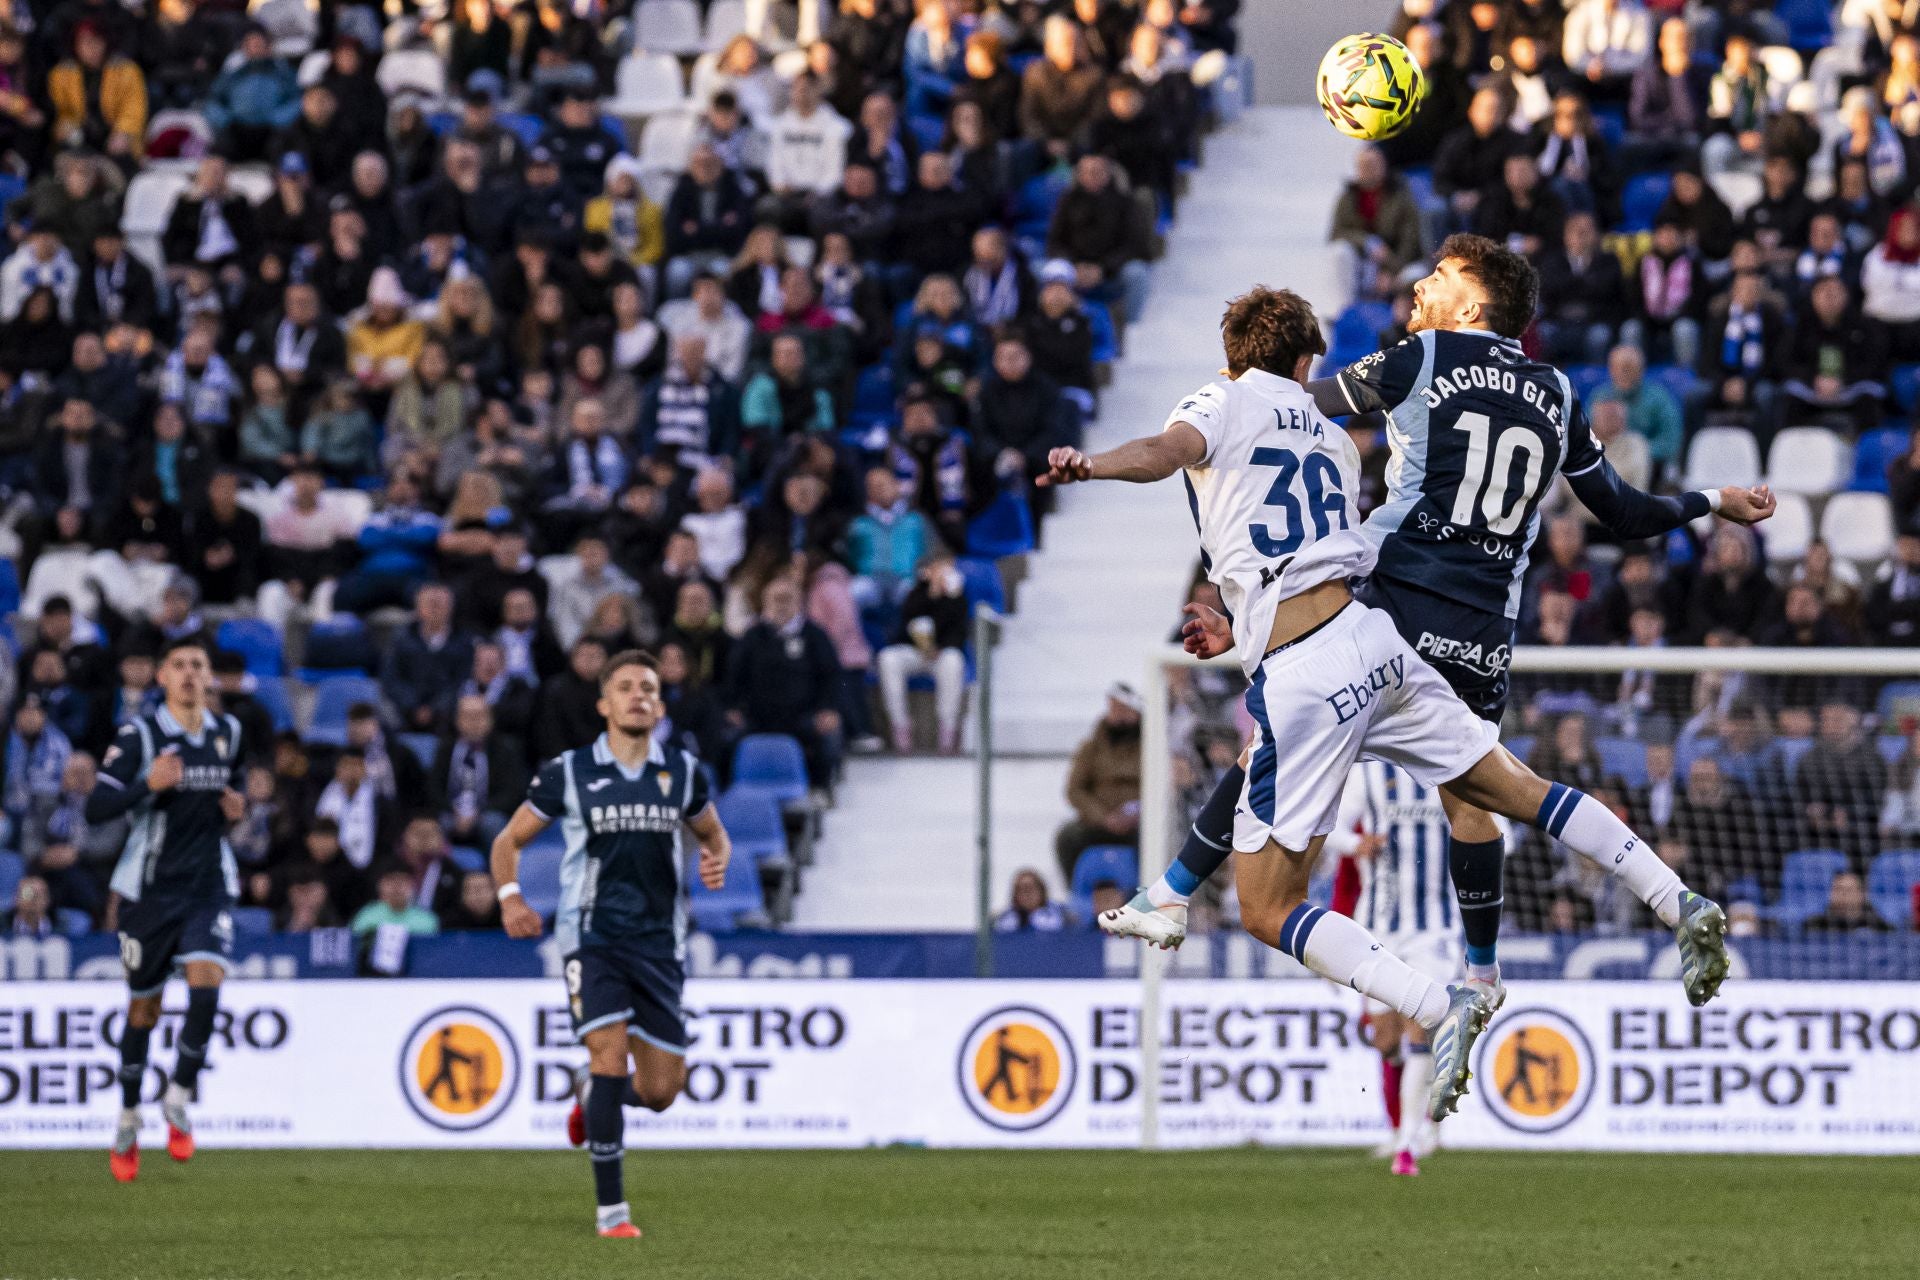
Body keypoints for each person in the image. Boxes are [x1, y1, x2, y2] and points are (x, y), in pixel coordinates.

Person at [1041, 281, 1757, 1120]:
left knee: (1267, 904)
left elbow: (1167, 451)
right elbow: (1314, 564)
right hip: (1383, 639)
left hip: (1311, 671)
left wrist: (1094, 464)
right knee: (1507, 788)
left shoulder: (1227, 399)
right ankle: (1678, 897)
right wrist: (1236, 627)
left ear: (1237, 355)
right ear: (1306, 358)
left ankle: (1433, 1002)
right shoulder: (1341, 446)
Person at [490, 649, 731, 1239]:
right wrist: (512, 898)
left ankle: (589, 1094)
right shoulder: (570, 772)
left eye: (648, 688)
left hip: (660, 944)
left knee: (660, 1092)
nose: (638, 696)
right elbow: (507, 841)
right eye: (625, 687)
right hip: (591, 936)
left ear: (660, 703)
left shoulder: (682, 771)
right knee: (608, 1057)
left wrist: (715, 857)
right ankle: (612, 1213)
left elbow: (712, 830)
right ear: (604, 704)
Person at [83, 638, 248, 1182]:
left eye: (198, 666)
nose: (188, 674)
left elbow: (231, 793)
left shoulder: (228, 733)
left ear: (210, 679)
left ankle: (177, 1097)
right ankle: (129, 1117)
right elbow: (97, 806)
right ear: (160, 677)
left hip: (207, 886)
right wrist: (144, 786)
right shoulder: (141, 735)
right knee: (143, 1014)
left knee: (207, 985)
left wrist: (236, 808)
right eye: (178, 665)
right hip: (148, 894)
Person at [1329, 760, 1457, 1177]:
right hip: (1378, 926)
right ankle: (1418, 1116)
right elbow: (1327, 828)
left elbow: (1502, 835)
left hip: (1434, 928)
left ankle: (1408, 1142)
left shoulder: (1450, 772)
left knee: (1419, 1025)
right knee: (1386, 1039)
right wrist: (1356, 846)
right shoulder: (1367, 775)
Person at [875, 556, 970, 753]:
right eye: (939, 568)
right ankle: (900, 725)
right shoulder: (916, 593)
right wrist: (930, 592)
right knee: (887, 659)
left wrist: (948, 597)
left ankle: (948, 729)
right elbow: (910, 620)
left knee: (953, 662)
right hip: (914, 652)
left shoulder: (958, 599)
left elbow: (959, 632)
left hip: (942, 654)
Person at [994, 868, 1070, 931]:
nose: (1027, 894)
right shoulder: (1004, 920)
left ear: (1041, 890)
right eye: (1021, 890)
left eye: (1030, 888)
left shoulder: (1063, 915)